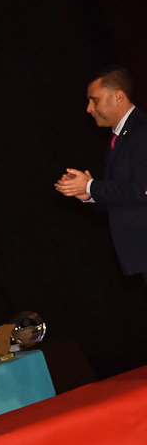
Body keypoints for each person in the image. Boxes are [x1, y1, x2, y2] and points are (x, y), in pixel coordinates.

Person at [55, 66, 147, 283]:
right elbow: (124, 197)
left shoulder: (141, 132)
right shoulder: (121, 136)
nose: (89, 108)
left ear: (118, 97)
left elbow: (142, 190)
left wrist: (91, 186)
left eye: (94, 100)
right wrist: (88, 194)